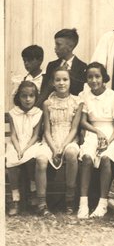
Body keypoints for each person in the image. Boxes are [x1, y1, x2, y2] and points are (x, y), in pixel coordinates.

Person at [77, 62, 114, 219]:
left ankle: (102, 203)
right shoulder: (84, 96)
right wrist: (97, 132)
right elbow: (83, 121)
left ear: (104, 78)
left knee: (105, 158)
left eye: (97, 76)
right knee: (87, 158)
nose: (94, 80)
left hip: (112, 134)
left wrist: (109, 141)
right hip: (93, 132)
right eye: (90, 77)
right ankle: (83, 204)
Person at [35, 67, 83, 216]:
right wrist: (54, 147)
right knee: (41, 159)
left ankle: (69, 199)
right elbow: (47, 131)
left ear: (70, 81)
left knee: (71, 152)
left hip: (69, 139)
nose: (62, 83)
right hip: (50, 140)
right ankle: (42, 203)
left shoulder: (77, 102)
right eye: (58, 80)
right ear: (52, 82)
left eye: (65, 79)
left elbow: (74, 129)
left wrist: (62, 146)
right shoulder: (48, 103)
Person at [6, 81, 43, 216]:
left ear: (35, 97)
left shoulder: (38, 113)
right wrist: (18, 149)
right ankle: (15, 198)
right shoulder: (13, 113)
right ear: (18, 97)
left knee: (32, 158)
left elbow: (36, 135)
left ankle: (33, 193)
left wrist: (26, 148)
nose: (28, 99)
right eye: (24, 96)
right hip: (16, 144)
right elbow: (13, 135)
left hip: (31, 144)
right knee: (11, 160)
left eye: (31, 96)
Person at [38, 28, 87, 107]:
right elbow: (44, 92)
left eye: (58, 44)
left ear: (70, 47)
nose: (55, 48)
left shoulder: (82, 67)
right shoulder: (52, 66)